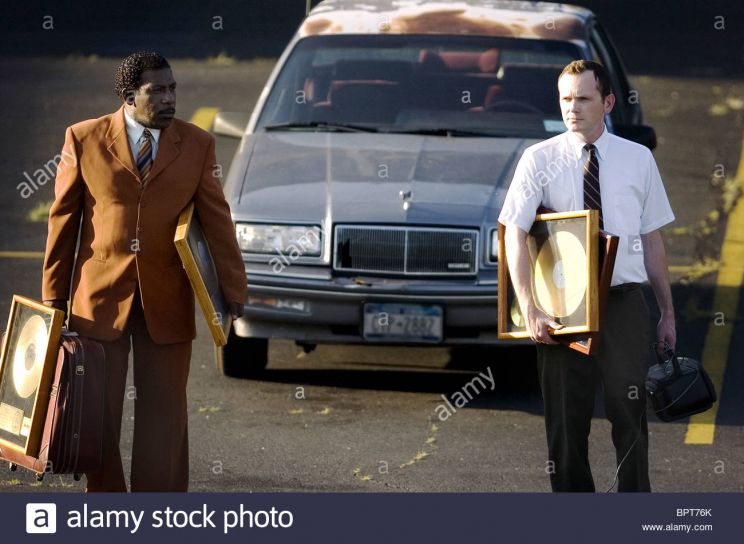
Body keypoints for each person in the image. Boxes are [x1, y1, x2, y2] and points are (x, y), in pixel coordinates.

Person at [41, 51, 247, 492]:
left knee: (165, 417)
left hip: (168, 300)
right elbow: (63, 222)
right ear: (129, 96)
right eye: (157, 91)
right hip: (98, 303)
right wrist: (53, 299)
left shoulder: (197, 144)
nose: (169, 99)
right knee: (98, 417)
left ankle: (158, 512)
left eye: (173, 89)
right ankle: (109, 508)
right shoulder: (83, 138)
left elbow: (217, 220)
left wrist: (234, 289)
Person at [498, 60, 676, 492]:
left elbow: (651, 238)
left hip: (623, 303)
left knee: (629, 416)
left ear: (608, 102)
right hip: (562, 308)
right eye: (565, 99)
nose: (572, 108)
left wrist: (667, 313)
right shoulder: (538, 159)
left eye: (582, 98)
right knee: (565, 422)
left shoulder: (638, 158)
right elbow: (513, 234)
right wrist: (530, 307)